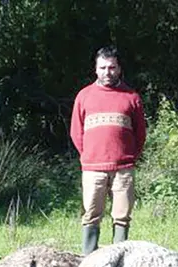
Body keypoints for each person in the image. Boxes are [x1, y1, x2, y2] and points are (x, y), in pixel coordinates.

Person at [70, 46, 146, 255]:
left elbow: (140, 134)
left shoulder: (131, 97)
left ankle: (119, 258)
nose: (107, 72)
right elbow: (76, 132)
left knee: (122, 215)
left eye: (112, 67)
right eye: (102, 67)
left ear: (119, 69)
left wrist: (128, 157)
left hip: (123, 168)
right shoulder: (84, 96)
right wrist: (89, 156)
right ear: (95, 69)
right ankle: (88, 258)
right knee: (92, 213)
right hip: (93, 167)